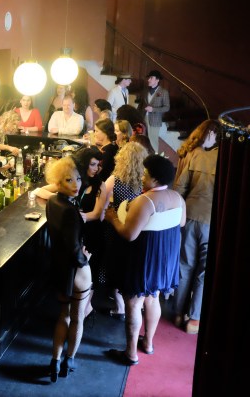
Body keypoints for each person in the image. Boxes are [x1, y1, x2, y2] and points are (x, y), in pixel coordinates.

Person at [104, 154, 186, 365]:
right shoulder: (178, 198)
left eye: (145, 174)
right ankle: (148, 344)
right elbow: (181, 223)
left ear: (156, 180)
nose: (141, 176)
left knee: (133, 303)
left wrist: (113, 218)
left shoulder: (145, 201)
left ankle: (130, 353)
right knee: (153, 298)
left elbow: (129, 234)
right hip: (165, 257)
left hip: (144, 257)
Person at [44, 157, 92, 382]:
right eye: (69, 180)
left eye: (78, 179)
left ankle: (54, 361)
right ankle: (69, 360)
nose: (76, 184)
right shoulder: (71, 211)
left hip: (58, 268)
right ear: (58, 182)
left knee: (62, 315)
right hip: (76, 270)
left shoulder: (52, 202)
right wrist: (85, 258)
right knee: (77, 318)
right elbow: (75, 249)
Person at [173, 119, 219, 335]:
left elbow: (180, 187)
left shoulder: (194, 154)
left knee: (185, 266)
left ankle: (178, 312)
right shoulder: (227, 158)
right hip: (212, 220)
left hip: (190, 216)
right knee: (203, 271)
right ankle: (194, 318)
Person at [101, 142, 148, 320]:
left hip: (116, 228)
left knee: (114, 265)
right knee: (132, 265)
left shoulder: (115, 180)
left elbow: (103, 202)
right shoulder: (145, 183)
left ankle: (120, 307)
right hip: (137, 228)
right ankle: (136, 304)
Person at [72, 147, 107, 318]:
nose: (96, 168)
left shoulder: (100, 185)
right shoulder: (76, 179)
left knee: (89, 270)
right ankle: (81, 310)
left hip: (92, 233)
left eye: (98, 165)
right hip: (77, 232)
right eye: (92, 164)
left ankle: (85, 310)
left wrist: (80, 215)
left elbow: (98, 214)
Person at [137, 70, 170, 153]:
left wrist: (153, 109)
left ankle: (154, 159)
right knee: (143, 140)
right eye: (149, 78)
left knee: (153, 141)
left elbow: (167, 107)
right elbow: (141, 105)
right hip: (144, 118)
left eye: (151, 78)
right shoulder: (145, 91)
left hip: (155, 120)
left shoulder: (163, 92)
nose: (148, 80)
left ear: (157, 80)